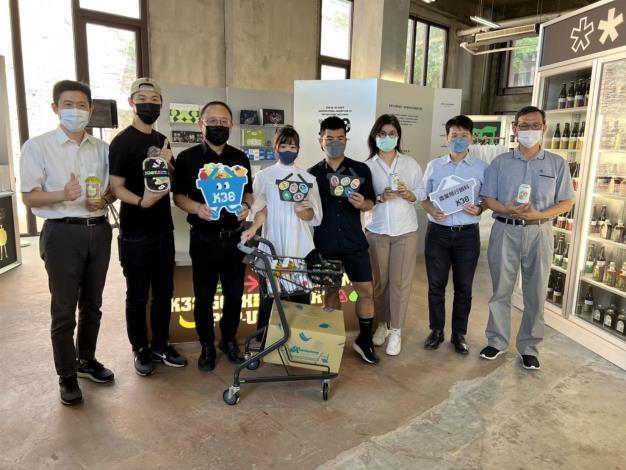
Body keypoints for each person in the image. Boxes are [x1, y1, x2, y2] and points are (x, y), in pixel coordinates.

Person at [20, 80, 114, 405]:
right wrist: (63, 194)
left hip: (99, 230)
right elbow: (28, 197)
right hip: (62, 233)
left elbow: (111, 189)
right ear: (55, 108)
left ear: (91, 109)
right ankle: (67, 375)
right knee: (63, 309)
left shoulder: (102, 148)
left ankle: (86, 360)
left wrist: (104, 199)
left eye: (82, 105)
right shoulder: (38, 146)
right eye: (68, 105)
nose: (76, 111)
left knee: (93, 304)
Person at [479, 106, 574, 370]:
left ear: (544, 128)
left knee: (536, 291)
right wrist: (506, 208)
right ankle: (496, 341)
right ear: (515, 129)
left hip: (539, 232)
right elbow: (488, 198)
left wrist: (539, 214)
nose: (529, 130)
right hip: (505, 230)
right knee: (501, 289)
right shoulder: (500, 163)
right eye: (523, 125)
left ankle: (529, 347)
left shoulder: (557, 163)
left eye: (535, 125)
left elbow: (566, 201)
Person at [109, 77, 187, 377]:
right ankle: (140, 347)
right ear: (131, 102)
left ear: (161, 104)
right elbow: (116, 187)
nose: (149, 104)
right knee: (138, 294)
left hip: (163, 230)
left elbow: (171, 180)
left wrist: (167, 162)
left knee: (164, 292)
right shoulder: (122, 142)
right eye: (142, 99)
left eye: (154, 99)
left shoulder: (162, 140)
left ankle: (160, 344)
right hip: (135, 232)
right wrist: (141, 202)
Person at [173, 101, 253, 371]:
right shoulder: (187, 158)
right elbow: (178, 197)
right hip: (203, 239)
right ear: (201, 125)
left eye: (223, 121)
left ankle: (228, 340)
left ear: (231, 125)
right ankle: (206, 344)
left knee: (235, 295)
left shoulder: (240, 158)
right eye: (212, 121)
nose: (218, 126)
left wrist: (247, 206)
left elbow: (249, 192)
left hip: (234, 239)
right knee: (204, 296)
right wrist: (197, 208)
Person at [308, 116, 379, 364]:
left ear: (346, 140)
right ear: (320, 141)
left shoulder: (360, 170)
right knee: (330, 293)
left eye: (340, 138)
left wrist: (362, 204)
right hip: (325, 244)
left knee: (366, 291)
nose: (335, 143)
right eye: (329, 138)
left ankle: (364, 340)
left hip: (354, 242)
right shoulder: (312, 175)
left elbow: (371, 202)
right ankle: (332, 339)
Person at [241, 126, 323, 336]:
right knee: (270, 298)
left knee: (301, 297)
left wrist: (303, 211)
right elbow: (260, 210)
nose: (288, 150)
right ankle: (264, 341)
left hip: (300, 246)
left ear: (298, 149)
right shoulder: (264, 176)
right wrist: (253, 229)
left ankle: (299, 343)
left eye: (293, 147)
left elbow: (315, 217)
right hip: (272, 245)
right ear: (276, 148)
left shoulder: (308, 179)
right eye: (283, 146)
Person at [421, 115, 488, 355]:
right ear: (446, 138)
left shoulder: (481, 168)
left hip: (467, 236)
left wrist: (480, 208)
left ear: (472, 138)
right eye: (454, 135)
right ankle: (436, 330)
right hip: (438, 234)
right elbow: (423, 197)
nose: (458, 139)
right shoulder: (434, 166)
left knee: (464, 288)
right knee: (435, 286)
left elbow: (487, 199)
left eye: (463, 135)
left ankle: (459, 334)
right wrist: (432, 210)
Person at [364, 114, 425, 356]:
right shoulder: (367, 167)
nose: (387, 138)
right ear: (374, 136)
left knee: (400, 283)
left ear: (398, 136)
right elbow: (364, 200)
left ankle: (396, 331)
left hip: (405, 231)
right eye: (382, 134)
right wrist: (380, 197)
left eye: (392, 134)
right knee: (379, 283)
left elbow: (421, 191)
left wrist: (410, 194)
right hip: (377, 230)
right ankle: (382, 324)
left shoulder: (409, 163)